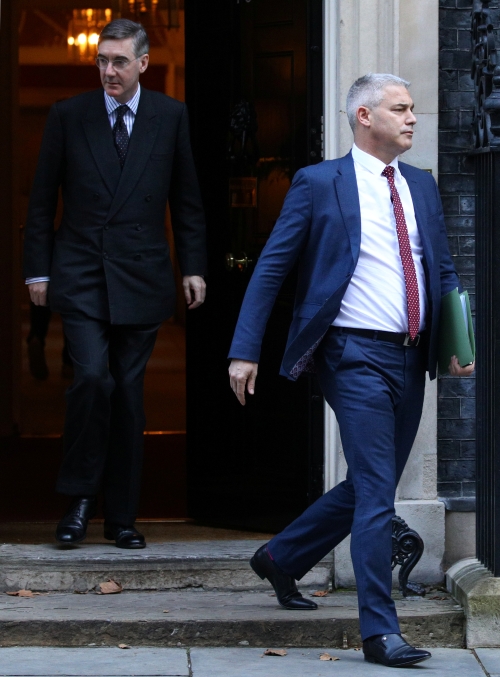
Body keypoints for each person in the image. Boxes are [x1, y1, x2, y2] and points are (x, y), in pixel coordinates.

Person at [227, 73, 472, 668]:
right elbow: (272, 268)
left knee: (373, 481)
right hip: (350, 353)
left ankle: (283, 557)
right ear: (364, 116)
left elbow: (439, 269)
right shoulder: (319, 183)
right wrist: (245, 348)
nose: (412, 118)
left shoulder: (420, 185)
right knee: (376, 495)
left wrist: (456, 340)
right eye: (400, 108)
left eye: (413, 109)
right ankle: (379, 631)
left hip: (412, 353)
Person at [22, 19, 207, 549]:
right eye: (102, 60)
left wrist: (192, 267)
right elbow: (41, 202)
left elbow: (186, 199)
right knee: (93, 381)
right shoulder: (68, 114)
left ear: (143, 64)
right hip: (79, 273)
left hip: (143, 274)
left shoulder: (170, 117)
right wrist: (38, 270)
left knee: (128, 394)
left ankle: (122, 515)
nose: (108, 71)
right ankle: (80, 498)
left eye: (119, 61)